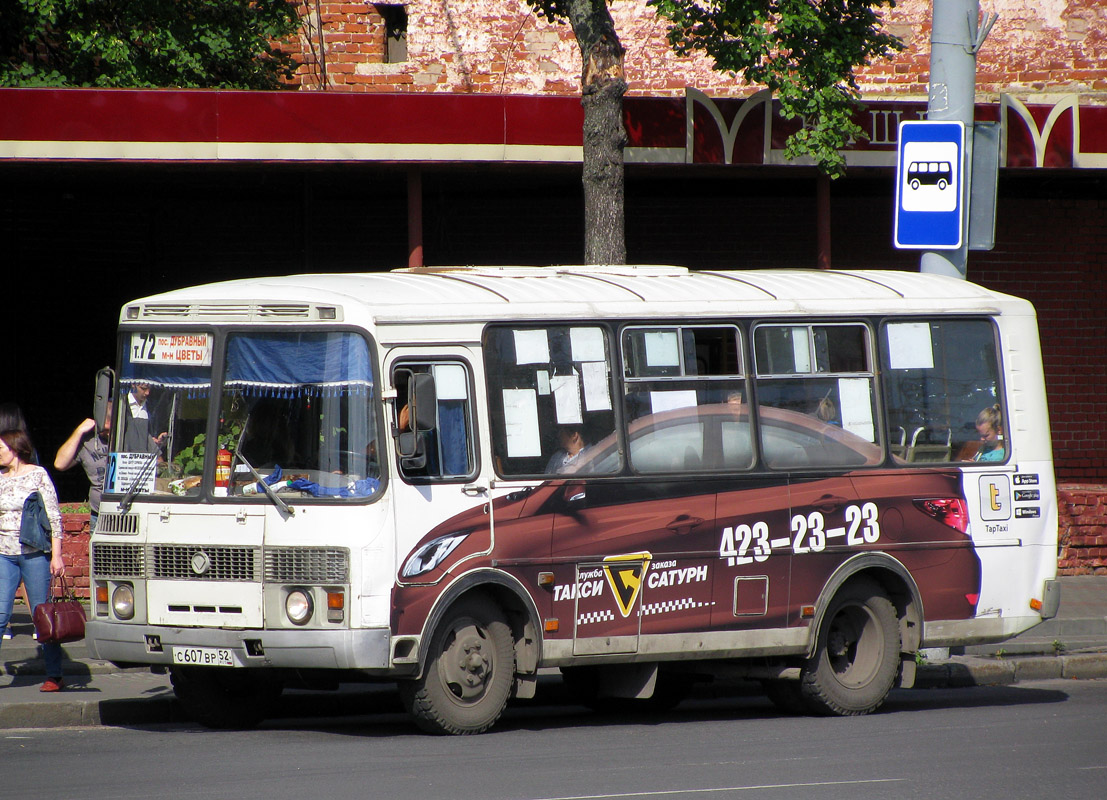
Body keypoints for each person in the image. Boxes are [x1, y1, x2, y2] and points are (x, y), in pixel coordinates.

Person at [0, 428, 67, 692]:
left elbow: (54, 515)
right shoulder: (1, 479)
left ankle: (54, 674)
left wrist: (57, 554)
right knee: (1, 613)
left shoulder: (38, 475)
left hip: (34, 554)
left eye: (1, 447)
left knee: (42, 615)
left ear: (16, 448)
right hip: (4, 554)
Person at [54, 407, 111, 531]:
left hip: (128, 510)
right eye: (104, 430)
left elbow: (160, 465)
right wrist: (79, 431)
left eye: (110, 429)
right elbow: (60, 464)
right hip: (98, 513)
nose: (107, 433)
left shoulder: (131, 437)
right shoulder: (88, 441)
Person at [122, 383, 166, 454]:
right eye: (143, 389)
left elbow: (152, 433)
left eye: (149, 388)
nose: (147, 393)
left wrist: (158, 439)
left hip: (146, 459)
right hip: (124, 457)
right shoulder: (121, 404)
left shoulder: (152, 407)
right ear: (133, 385)